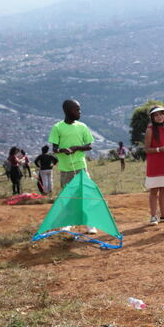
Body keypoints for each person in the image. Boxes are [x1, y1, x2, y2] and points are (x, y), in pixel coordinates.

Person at [48, 99, 97, 234]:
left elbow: (89, 145)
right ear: (69, 111)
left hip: (81, 166)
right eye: (77, 109)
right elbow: (55, 148)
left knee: (85, 195)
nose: (79, 112)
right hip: (65, 169)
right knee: (68, 196)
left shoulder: (82, 127)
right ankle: (68, 223)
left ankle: (89, 223)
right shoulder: (58, 127)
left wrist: (76, 148)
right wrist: (63, 150)